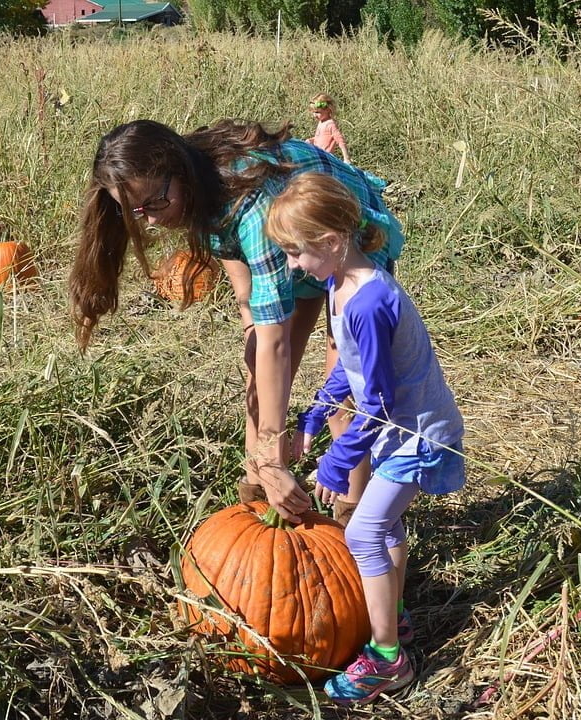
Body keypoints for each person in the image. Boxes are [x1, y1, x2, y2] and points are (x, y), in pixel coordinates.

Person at [68, 118, 404, 523]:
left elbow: (276, 342)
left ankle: (353, 516)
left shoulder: (251, 203)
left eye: (155, 203)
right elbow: (249, 300)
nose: (151, 220)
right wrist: (263, 457)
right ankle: (256, 499)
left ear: (180, 172)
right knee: (257, 371)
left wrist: (273, 450)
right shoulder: (197, 192)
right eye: (137, 211)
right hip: (288, 250)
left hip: (345, 242)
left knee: (343, 399)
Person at [266, 172, 465, 704]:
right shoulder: (340, 283)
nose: (293, 266)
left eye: (296, 253)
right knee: (385, 525)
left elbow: (376, 401)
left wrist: (339, 458)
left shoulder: (370, 301)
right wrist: (317, 412)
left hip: (415, 432)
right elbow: (351, 371)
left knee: (362, 533)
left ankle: (386, 659)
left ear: (331, 242)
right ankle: (392, 619)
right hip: (396, 429)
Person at [306, 93, 352, 165]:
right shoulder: (321, 122)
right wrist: (312, 140)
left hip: (324, 157)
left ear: (328, 110)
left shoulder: (330, 124)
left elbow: (340, 141)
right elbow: (322, 137)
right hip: (317, 154)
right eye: (313, 112)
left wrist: (346, 158)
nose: (314, 115)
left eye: (318, 112)